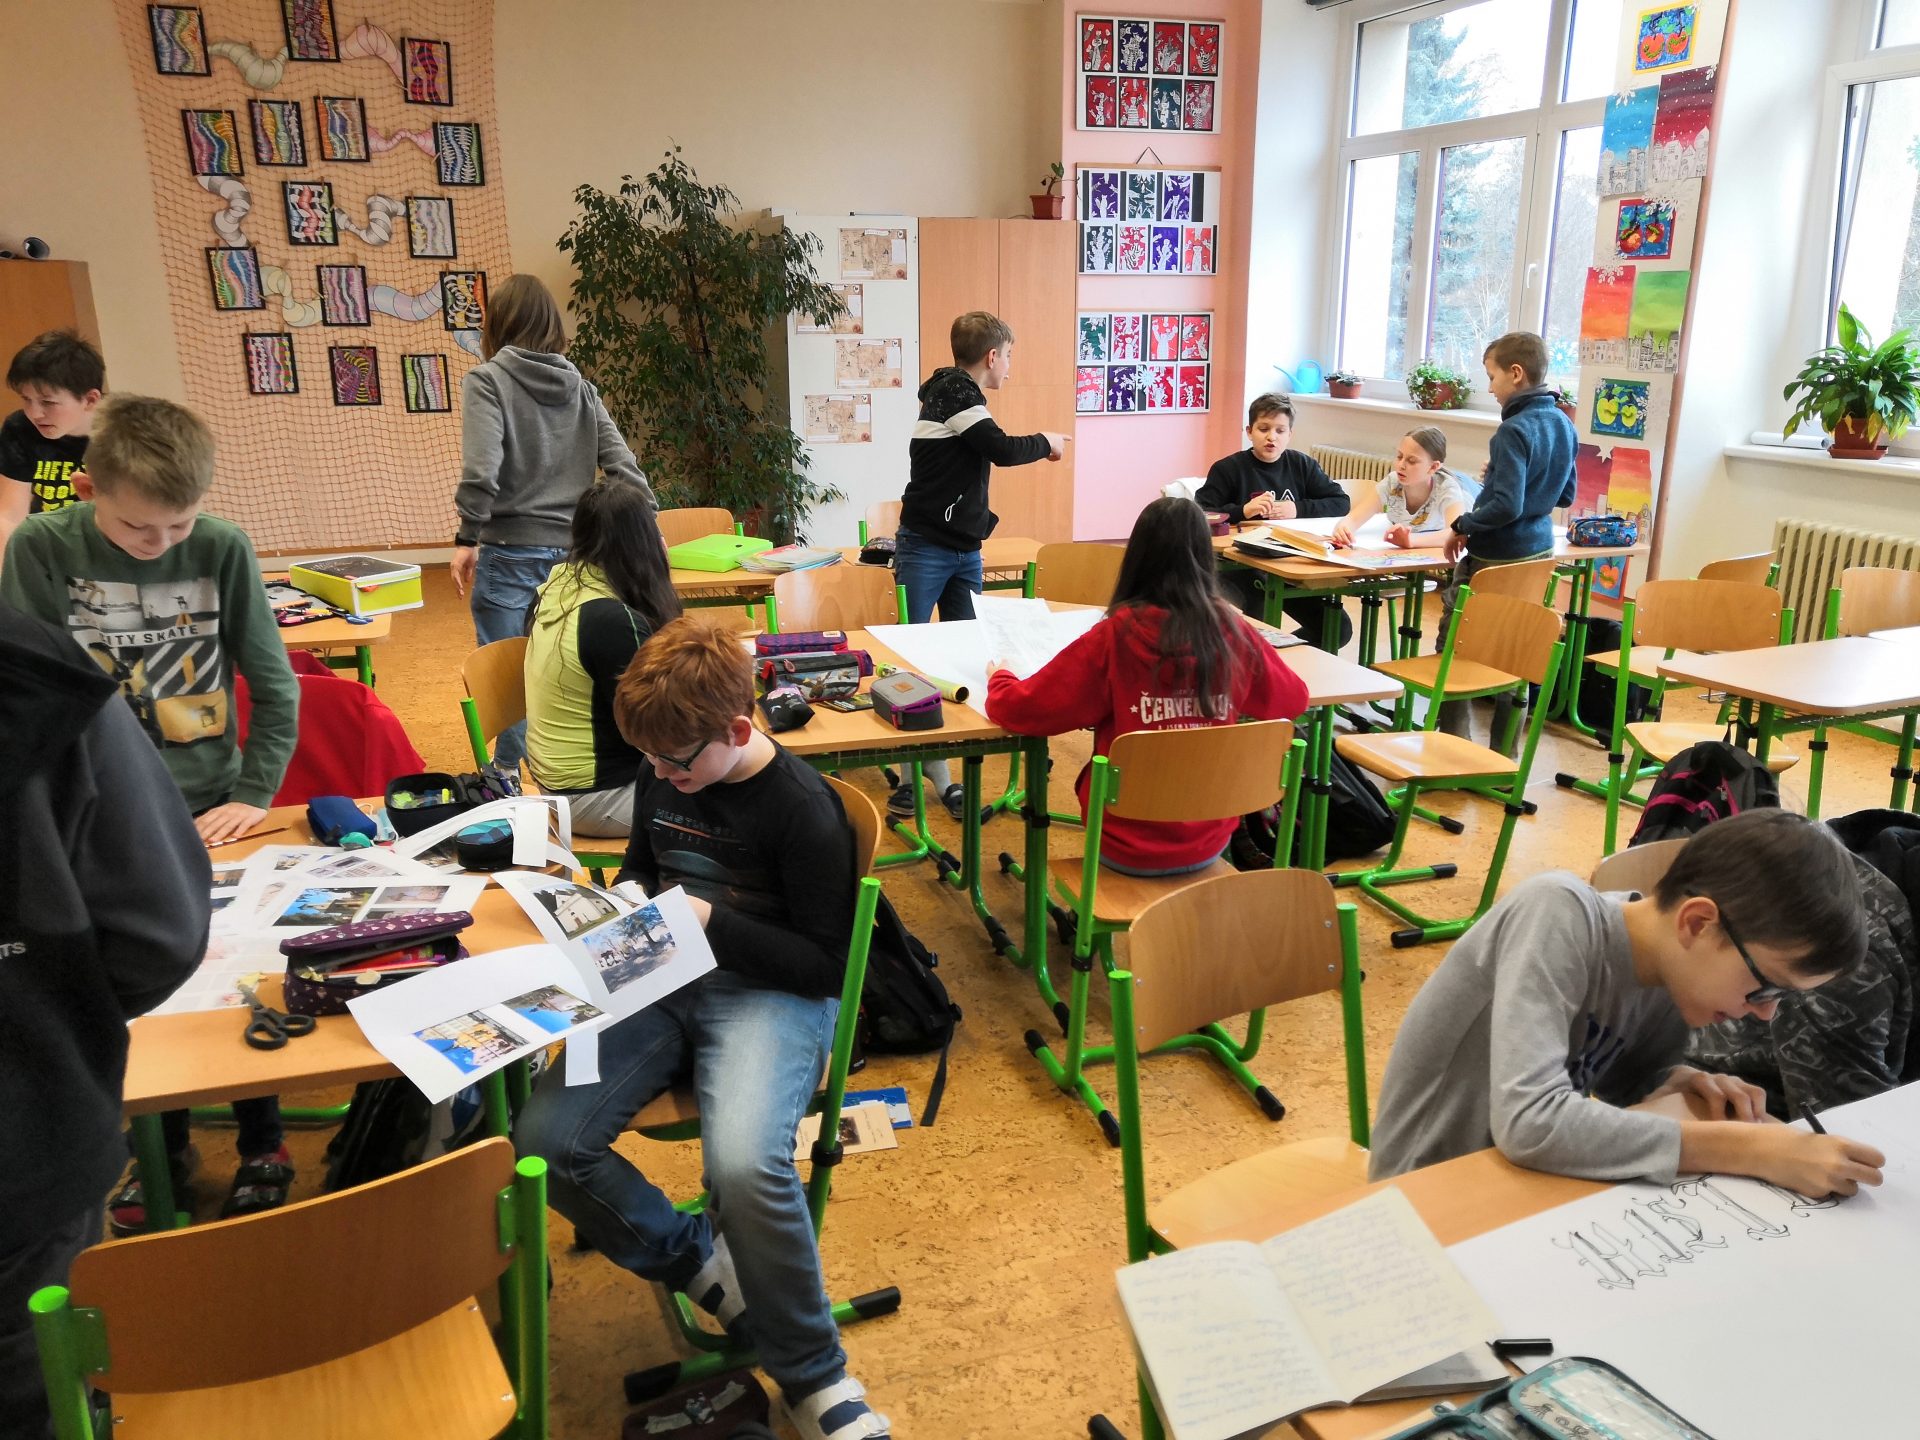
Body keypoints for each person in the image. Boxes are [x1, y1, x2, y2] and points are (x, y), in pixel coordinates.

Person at [514, 618, 890, 1440]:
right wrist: (621, 906)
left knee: (745, 1166)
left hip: (771, 993)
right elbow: (645, 866)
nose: (659, 777)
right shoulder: (666, 766)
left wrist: (712, 920)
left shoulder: (801, 808)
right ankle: (701, 1264)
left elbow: (826, 968)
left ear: (739, 731)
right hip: (663, 972)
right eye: (648, 761)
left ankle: (815, 1376)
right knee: (545, 1141)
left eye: (674, 763)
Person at [1, 394, 300, 1228]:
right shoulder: (41, 546)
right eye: (138, 527)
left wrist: (252, 792)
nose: (161, 543)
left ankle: (264, 1140)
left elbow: (273, 682)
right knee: (128, 983)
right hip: (97, 818)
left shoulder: (222, 546)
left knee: (234, 979)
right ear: (89, 488)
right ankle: (157, 1150)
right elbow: (27, 696)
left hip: (208, 800)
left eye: (179, 525)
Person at [1368, 810, 1887, 1199]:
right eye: (1766, 988)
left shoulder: (1672, 976)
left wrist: (1678, 1080)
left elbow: (1621, 1080)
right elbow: (1531, 1123)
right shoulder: (1555, 912)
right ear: (1697, 924)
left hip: (1521, 1191)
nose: (1766, 1013)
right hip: (1424, 1197)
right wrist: (1752, 1149)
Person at [0, 602, 207, 1438]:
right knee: (39, 1394)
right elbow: (159, 936)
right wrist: (61, 1006)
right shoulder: (32, 667)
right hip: (28, 1145)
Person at [984, 497, 1309, 875]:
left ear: (1136, 556)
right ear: (1206, 558)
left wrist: (1001, 678)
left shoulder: (1113, 637)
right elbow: (1293, 700)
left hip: (1123, 846)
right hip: (1208, 841)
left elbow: (1024, 710)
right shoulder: (1232, 631)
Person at [451, 273, 655, 781]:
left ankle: (505, 773)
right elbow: (623, 467)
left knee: (508, 671)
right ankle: (543, 773)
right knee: (564, 669)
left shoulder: (486, 381)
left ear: (497, 325)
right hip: (578, 559)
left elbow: (481, 470)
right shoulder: (581, 388)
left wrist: (467, 536)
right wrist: (647, 525)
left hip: (509, 552)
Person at [893, 310, 1067, 821]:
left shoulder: (958, 396)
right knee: (912, 661)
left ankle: (948, 773)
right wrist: (1047, 442)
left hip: (964, 548)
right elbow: (1002, 449)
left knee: (966, 657)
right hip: (926, 546)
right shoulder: (955, 392)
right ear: (992, 356)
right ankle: (918, 774)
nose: (1009, 366)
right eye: (1008, 356)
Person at [1436, 332, 1577, 739]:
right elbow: (1565, 494)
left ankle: (1454, 746)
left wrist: (1462, 524)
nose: (1489, 388)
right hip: (1538, 552)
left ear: (1515, 374)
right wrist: (1502, 478)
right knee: (1516, 650)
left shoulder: (1513, 430)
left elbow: (1507, 508)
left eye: (1491, 376)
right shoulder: (1563, 424)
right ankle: (1505, 753)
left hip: (1496, 557)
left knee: (1457, 644)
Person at [524, 479, 682, 837]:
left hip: (557, 784)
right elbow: (656, 728)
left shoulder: (557, 586)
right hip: (594, 797)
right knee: (738, 794)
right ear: (645, 541)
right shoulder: (611, 620)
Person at [1196, 393, 1353, 650]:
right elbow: (1201, 513)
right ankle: (1262, 657)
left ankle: (1279, 656)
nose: (1272, 437)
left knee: (1338, 628)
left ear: (1290, 434)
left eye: (1280, 431)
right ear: (1249, 432)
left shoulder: (1302, 465)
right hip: (1237, 566)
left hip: (1289, 564)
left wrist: (1297, 508)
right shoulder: (1228, 469)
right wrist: (1242, 511)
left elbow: (1341, 502)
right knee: (1261, 608)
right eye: (1264, 429)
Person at [0, 330, 104, 548]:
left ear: (90, 399)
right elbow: (10, 516)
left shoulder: (122, 431)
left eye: (48, 402)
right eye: (26, 399)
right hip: (47, 545)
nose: (34, 413)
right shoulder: (19, 428)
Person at [1331, 427, 1471, 549]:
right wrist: (1343, 528)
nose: (1401, 465)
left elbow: (1456, 534)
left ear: (1433, 467)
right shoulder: (1392, 482)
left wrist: (1411, 541)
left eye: (1411, 461)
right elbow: (1353, 518)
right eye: (1399, 456)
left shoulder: (1447, 488)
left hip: (1470, 492)